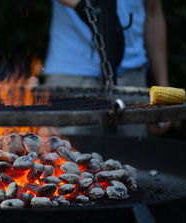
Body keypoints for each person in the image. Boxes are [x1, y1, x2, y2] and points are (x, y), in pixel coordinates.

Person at [44, 0, 170, 136]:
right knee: (66, 154)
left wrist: (163, 88)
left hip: (132, 80)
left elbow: (153, 12)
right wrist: (81, 5)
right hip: (71, 77)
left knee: (132, 154)